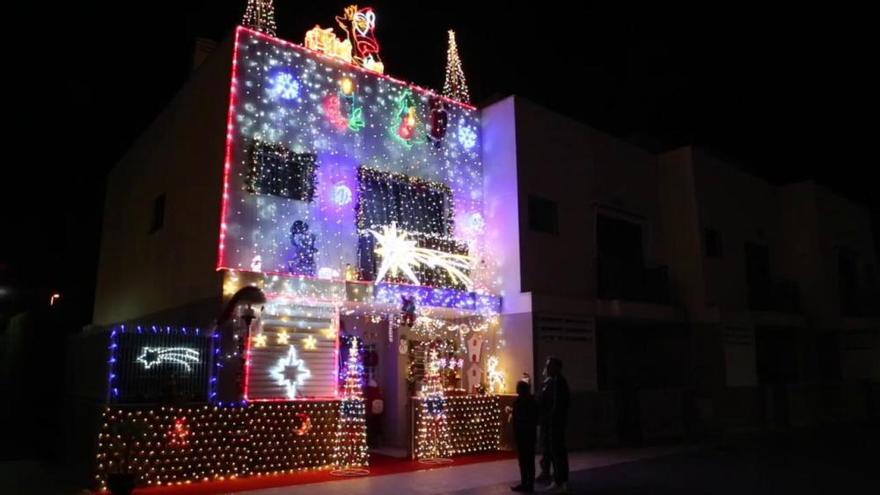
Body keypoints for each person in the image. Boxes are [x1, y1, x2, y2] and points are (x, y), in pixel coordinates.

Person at [537, 357, 570, 492]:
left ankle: (560, 481)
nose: (547, 368)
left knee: (557, 452)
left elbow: (557, 405)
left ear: (556, 367)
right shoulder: (551, 382)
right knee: (553, 451)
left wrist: (550, 418)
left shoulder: (559, 383)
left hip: (554, 423)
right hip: (550, 422)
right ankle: (558, 479)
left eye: (549, 366)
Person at [511, 380, 538, 493]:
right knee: (523, 460)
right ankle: (524, 482)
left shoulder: (529, 401)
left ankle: (529, 483)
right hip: (521, 433)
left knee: (528, 460)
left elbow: (532, 417)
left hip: (527, 432)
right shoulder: (518, 401)